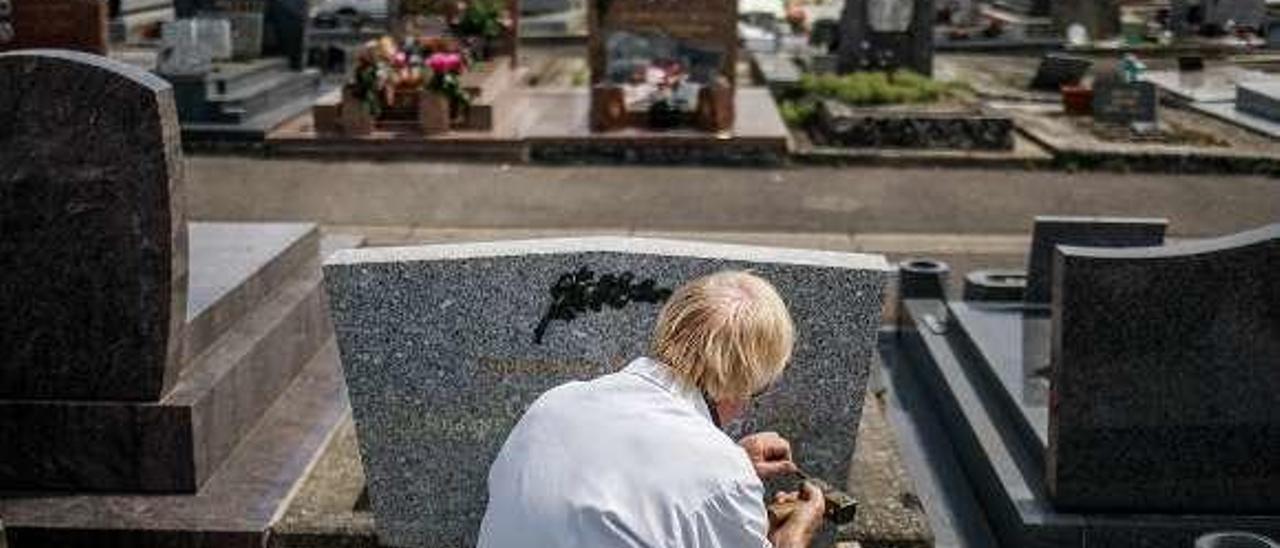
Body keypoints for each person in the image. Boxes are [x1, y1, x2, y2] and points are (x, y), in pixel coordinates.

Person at [478, 271, 825, 548]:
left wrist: (730, 462)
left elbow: (625, 471)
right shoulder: (723, 477)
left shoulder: (554, 402)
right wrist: (793, 537)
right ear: (741, 386)